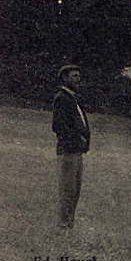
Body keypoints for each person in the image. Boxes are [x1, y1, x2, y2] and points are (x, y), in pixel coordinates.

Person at [52, 64, 91, 228]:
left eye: (78, 76)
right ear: (65, 78)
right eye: (74, 76)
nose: (78, 79)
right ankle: (64, 223)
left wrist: (84, 141)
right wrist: (75, 140)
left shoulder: (74, 98)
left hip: (77, 150)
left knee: (75, 189)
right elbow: (58, 126)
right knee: (68, 189)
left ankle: (69, 222)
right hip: (69, 151)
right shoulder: (62, 98)